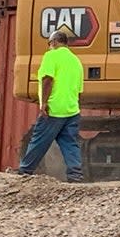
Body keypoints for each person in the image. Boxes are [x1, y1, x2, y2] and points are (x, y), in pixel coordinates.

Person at [17, 30, 85, 182]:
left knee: (39, 140)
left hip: (54, 108)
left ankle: (24, 171)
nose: (49, 47)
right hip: (72, 109)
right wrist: (75, 106)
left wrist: (44, 103)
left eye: (49, 44)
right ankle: (76, 176)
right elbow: (79, 90)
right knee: (70, 143)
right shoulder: (76, 61)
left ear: (54, 42)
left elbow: (47, 79)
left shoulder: (51, 56)